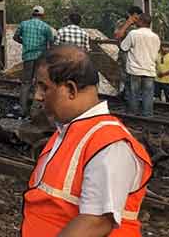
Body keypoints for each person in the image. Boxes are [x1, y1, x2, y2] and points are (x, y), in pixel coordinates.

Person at [22, 46, 152, 237]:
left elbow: (96, 221)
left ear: (71, 90)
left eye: (44, 87)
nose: (38, 96)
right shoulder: (68, 132)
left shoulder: (110, 145)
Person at [13, 5, 55, 117]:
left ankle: (22, 110)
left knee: (26, 83)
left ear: (32, 14)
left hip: (27, 57)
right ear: (42, 15)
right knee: (38, 83)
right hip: (40, 57)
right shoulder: (46, 27)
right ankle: (34, 111)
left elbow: (15, 37)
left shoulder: (23, 24)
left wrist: (25, 43)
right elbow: (51, 42)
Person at [119, 13, 160, 117]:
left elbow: (123, 47)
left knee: (134, 93)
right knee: (148, 95)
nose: (136, 21)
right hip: (149, 70)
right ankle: (147, 115)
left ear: (141, 22)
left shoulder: (133, 34)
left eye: (138, 20)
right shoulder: (155, 37)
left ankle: (133, 114)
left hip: (135, 70)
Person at [114, 6, 144, 99]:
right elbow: (117, 36)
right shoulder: (122, 23)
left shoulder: (140, 24)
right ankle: (128, 96)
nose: (137, 19)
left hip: (138, 53)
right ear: (130, 15)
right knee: (125, 76)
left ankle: (134, 96)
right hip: (125, 53)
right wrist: (128, 23)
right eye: (135, 16)